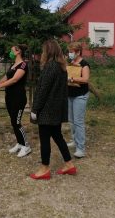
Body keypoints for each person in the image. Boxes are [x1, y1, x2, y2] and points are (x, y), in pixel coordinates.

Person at [30, 39, 76, 180]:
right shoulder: (61, 67)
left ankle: (44, 168)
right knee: (57, 136)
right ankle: (69, 164)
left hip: (47, 110)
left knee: (45, 139)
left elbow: (43, 91)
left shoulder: (51, 67)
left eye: (44, 50)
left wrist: (35, 109)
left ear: (47, 52)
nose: (42, 53)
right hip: (56, 109)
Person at [0, 44, 31, 157]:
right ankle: (20, 143)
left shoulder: (23, 65)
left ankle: (26, 146)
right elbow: (7, 77)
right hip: (10, 97)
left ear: (18, 52)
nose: (10, 52)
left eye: (12, 50)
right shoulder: (13, 65)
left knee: (17, 122)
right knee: (13, 121)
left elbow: (14, 79)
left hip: (19, 98)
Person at [67, 42, 90, 158]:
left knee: (78, 122)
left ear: (78, 52)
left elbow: (85, 79)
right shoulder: (71, 62)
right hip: (70, 94)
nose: (69, 54)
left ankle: (81, 148)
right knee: (71, 120)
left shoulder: (84, 64)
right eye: (69, 51)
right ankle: (74, 140)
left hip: (80, 95)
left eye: (71, 52)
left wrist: (71, 78)